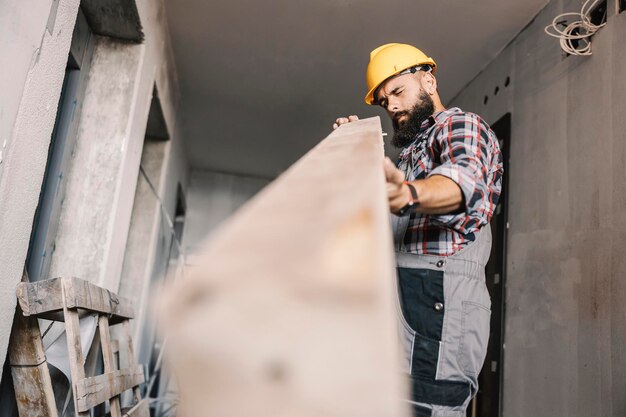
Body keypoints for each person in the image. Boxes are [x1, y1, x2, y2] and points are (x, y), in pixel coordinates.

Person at [333, 43, 503, 417]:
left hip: (437, 304)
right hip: (409, 300)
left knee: (426, 407)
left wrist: (407, 193)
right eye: (383, 101)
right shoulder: (410, 153)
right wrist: (354, 157)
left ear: (428, 80)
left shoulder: (461, 126)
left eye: (397, 92)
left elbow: (464, 183)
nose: (391, 106)